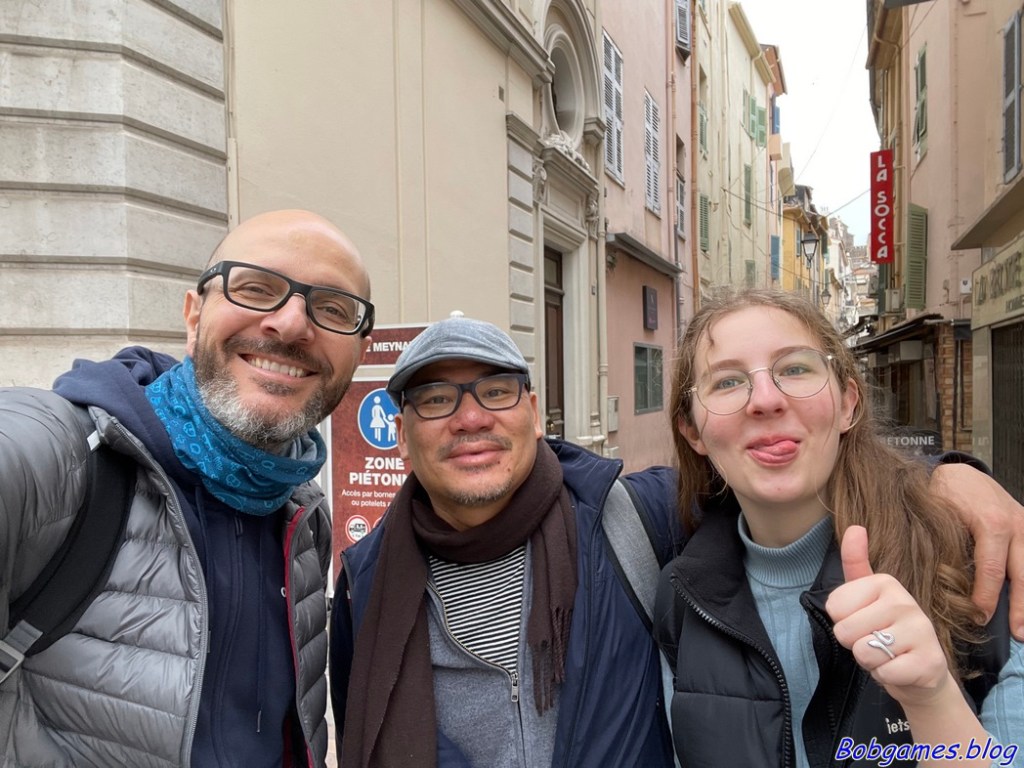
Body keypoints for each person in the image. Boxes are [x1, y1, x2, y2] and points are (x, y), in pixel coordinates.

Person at [330, 314, 1024, 768]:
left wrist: (949, 478)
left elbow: (774, 467)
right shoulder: (364, 587)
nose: (470, 418)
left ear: (534, 414)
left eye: (496, 392)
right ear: (402, 432)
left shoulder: (628, 516)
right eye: (435, 400)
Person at [1, 209, 374, 767]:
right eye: (256, 288)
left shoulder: (304, 514)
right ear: (194, 315)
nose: (292, 324)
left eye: (333, 308)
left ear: (359, 352)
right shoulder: (58, 457)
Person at [654, 289, 1023, 767]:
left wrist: (932, 699)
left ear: (848, 403)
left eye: (795, 369)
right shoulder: (682, 599)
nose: (765, 400)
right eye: (727, 382)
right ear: (693, 432)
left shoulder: (984, 560)